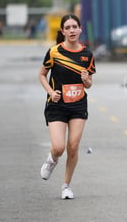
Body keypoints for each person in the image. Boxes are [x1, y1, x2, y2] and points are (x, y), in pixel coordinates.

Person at [39, 14, 96, 199]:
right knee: (58, 147)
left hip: (78, 105)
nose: (72, 30)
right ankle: (52, 159)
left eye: (75, 27)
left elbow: (89, 84)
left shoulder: (87, 55)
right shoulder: (54, 52)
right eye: (68, 27)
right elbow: (41, 75)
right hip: (57, 105)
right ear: (63, 31)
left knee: (73, 146)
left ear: (80, 29)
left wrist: (86, 79)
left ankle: (66, 186)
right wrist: (50, 92)